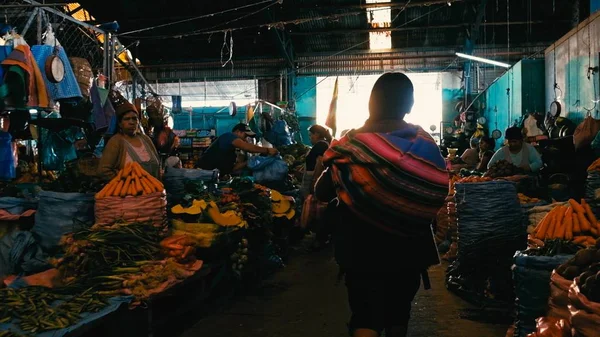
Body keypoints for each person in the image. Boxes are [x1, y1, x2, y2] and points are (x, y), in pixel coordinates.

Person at [314, 73, 448, 337]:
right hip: (409, 246)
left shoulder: (349, 145)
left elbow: (320, 192)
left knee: (365, 314)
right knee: (399, 311)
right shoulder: (424, 143)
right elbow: (437, 187)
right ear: (409, 105)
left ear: (371, 104)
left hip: (360, 247)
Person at [98, 101, 160, 181]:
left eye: (134, 119)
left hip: (153, 191)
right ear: (120, 123)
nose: (131, 122)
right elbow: (103, 171)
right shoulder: (116, 141)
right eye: (127, 119)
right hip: (128, 192)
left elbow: (158, 164)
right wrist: (123, 183)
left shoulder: (145, 139)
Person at [197, 123, 278, 175]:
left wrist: (248, 162)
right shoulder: (229, 136)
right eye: (245, 136)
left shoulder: (231, 151)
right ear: (238, 132)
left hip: (214, 176)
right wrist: (267, 150)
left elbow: (233, 168)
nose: (245, 139)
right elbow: (246, 147)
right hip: (203, 174)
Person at [301, 125, 333, 198]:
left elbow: (320, 163)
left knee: (308, 198)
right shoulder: (321, 144)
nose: (310, 138)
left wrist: (315, 180)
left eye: (310, 135)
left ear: (317, 134)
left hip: (312, 176)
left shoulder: (321, 145)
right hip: (311, 175)